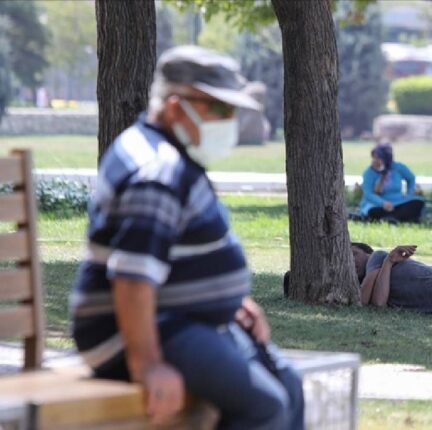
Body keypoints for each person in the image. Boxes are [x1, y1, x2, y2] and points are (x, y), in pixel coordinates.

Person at [69, 45, 303, 429]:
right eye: (220, 109)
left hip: (179, 321)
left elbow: (177, 254)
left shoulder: (170, 154)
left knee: (288, 384)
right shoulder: (157, 174)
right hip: (129, 334)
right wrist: (148, 364)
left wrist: (232, 302)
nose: (230, 121)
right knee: (265, 408)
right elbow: (131, 279)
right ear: (176, 106)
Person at [358, 143, 424, 223]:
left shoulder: (397, 167)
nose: (375, 160)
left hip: (398, 202)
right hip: (377, 204)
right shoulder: (369, 173)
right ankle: (394, 217)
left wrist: (409, 193)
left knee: (418, 203)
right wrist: (383, 203)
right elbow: (368, 194)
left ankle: (392, 217)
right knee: (373, 211)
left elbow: (411, 178)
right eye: (373, 157)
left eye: (378, 158)